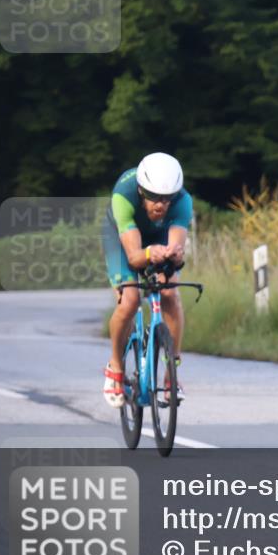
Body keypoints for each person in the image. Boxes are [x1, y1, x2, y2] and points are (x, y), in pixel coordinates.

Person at [101, 152, 193, 408]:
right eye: (154, 197)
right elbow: (134, 257)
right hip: (122, 239)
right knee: (130, 300)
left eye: (167, 198)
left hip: (159, 236)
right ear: (141, 190)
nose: (161, 204)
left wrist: (173, 254)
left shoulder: (183, 201)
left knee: (170, 293)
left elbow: (176, 249)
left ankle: (171, 374)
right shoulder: (124, 195)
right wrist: (151, 253)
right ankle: (115, 365)